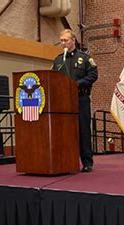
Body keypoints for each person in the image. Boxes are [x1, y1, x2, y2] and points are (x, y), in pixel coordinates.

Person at [52, 29, 98, 172]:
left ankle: (87, 162)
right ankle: (67, 160)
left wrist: (78, 84)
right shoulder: (59, 60)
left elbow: (93, 74)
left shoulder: (84, 58)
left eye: (65, 40)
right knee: (65, 131)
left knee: (83, 129)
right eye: (61, 41)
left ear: (73, 40)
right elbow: (53, 78)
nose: (63, 43)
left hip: (81, 98)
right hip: (64, 101)